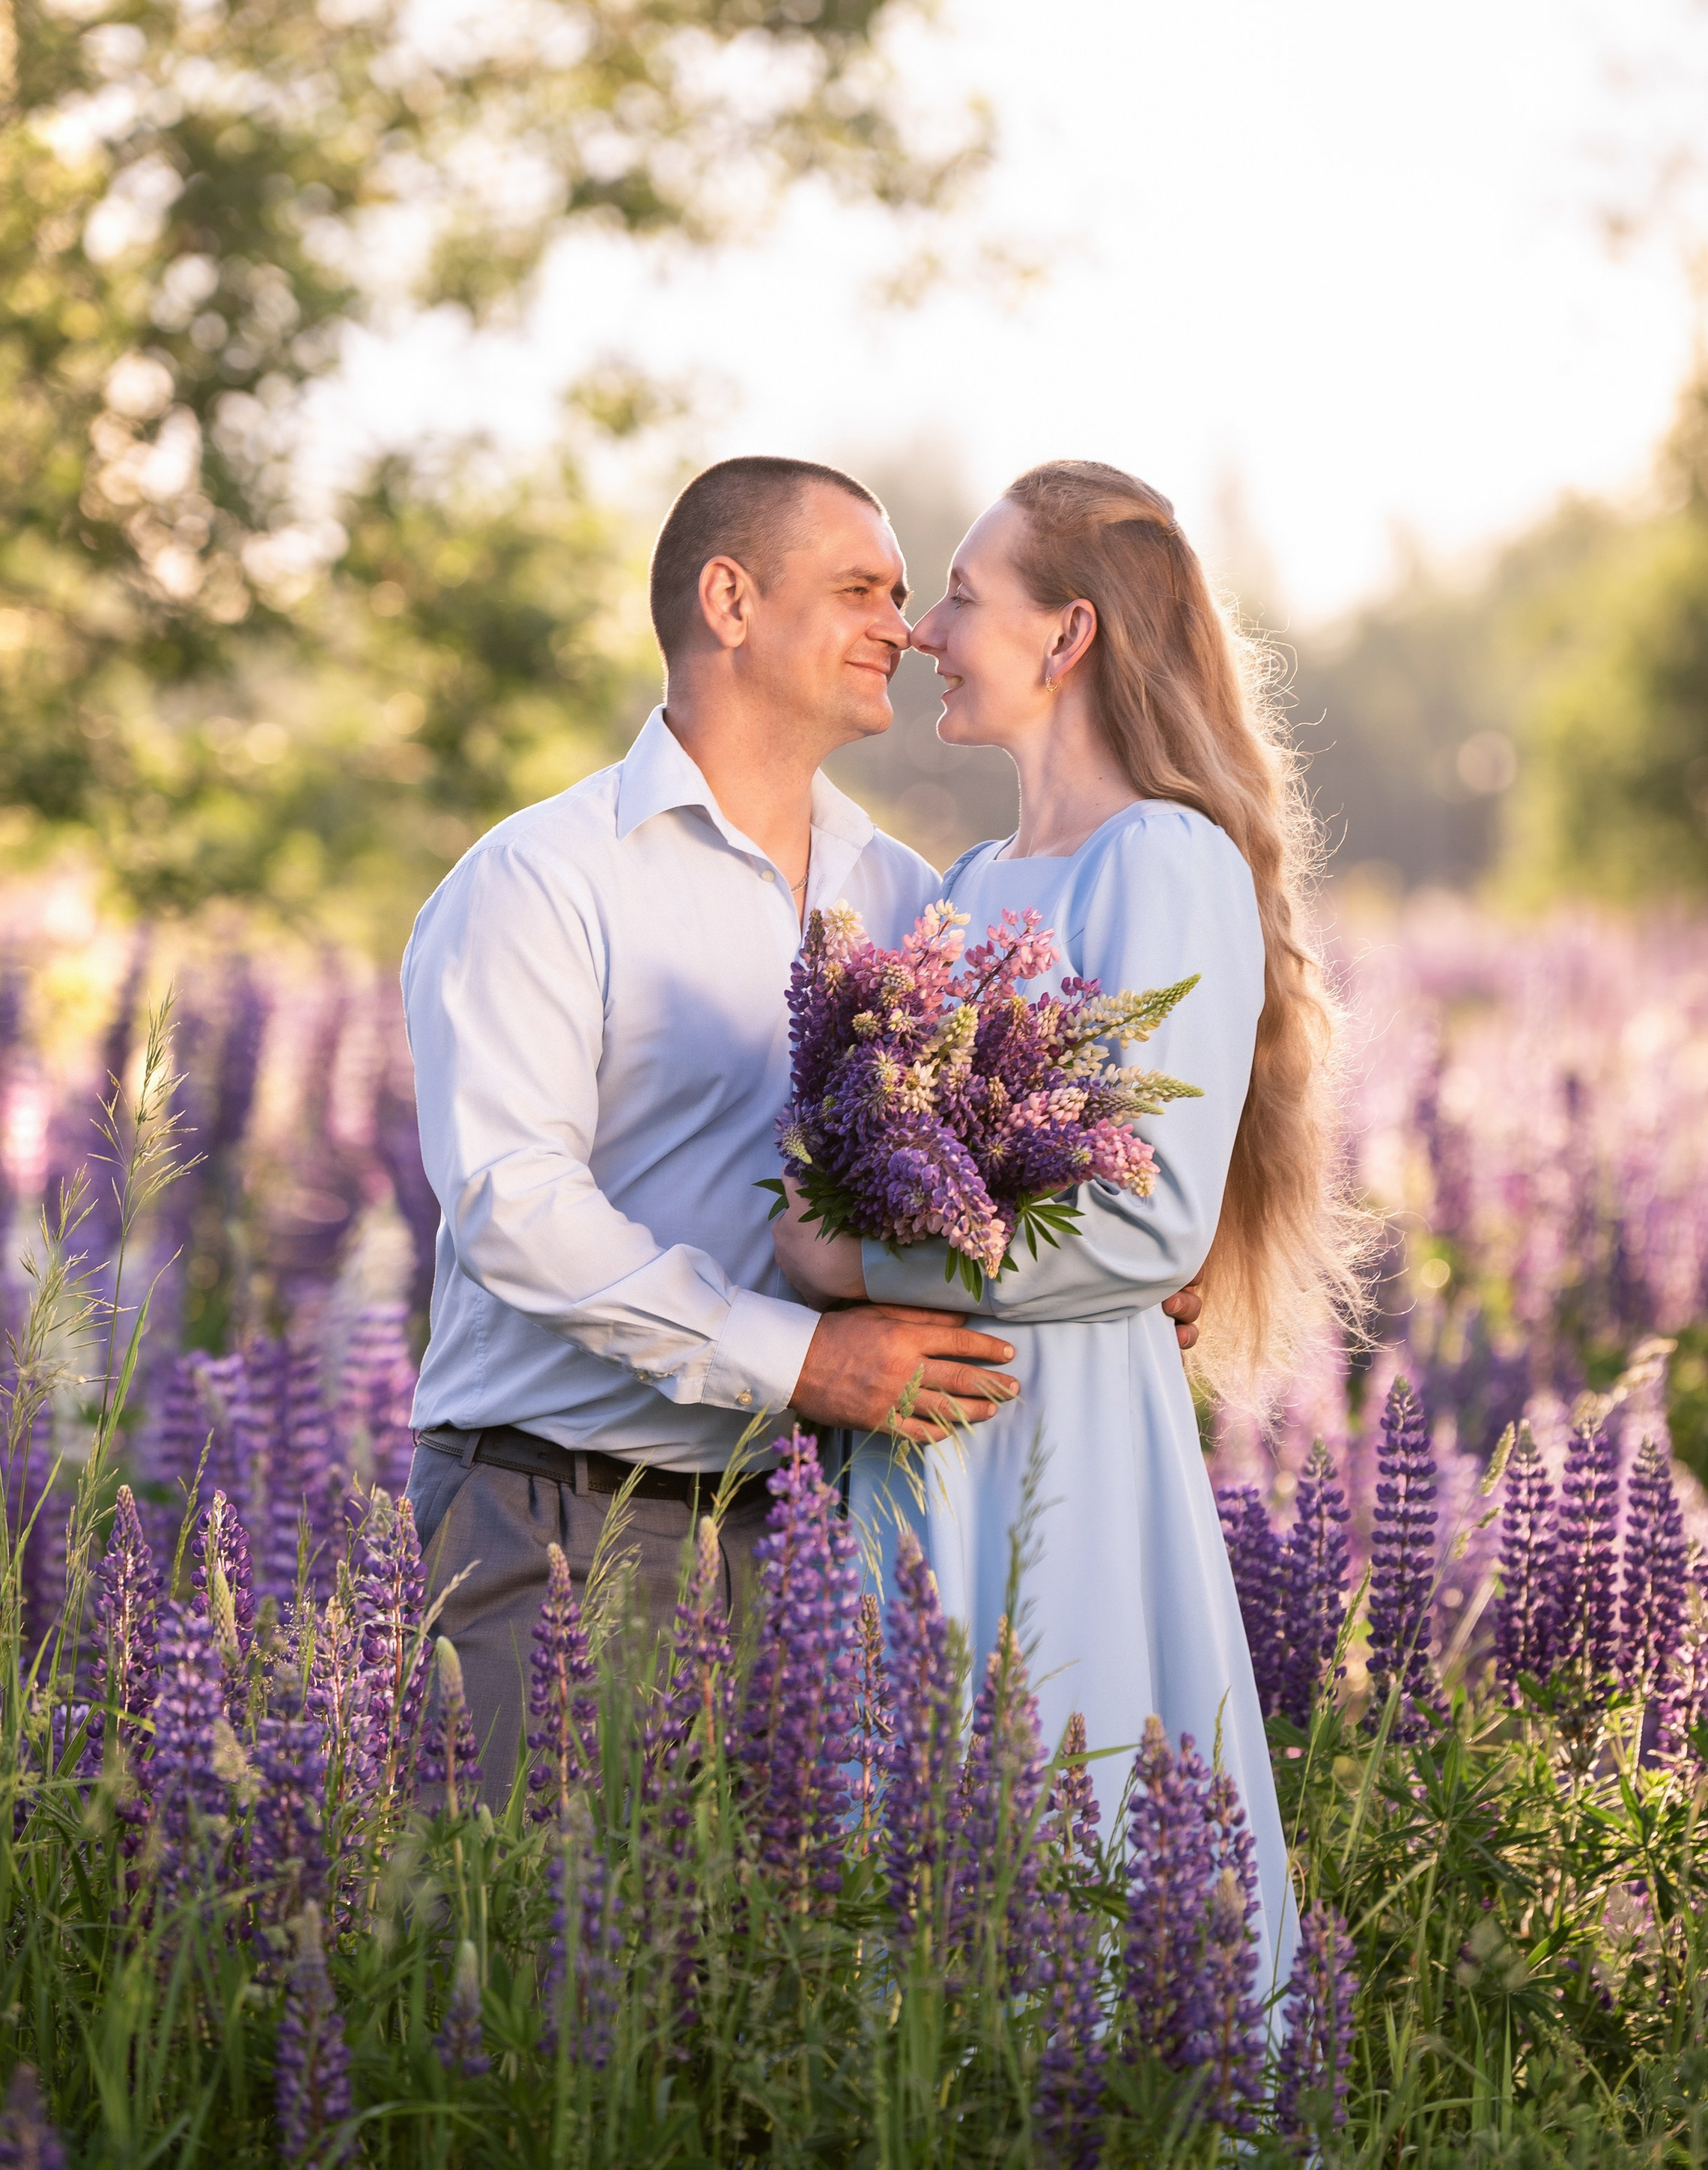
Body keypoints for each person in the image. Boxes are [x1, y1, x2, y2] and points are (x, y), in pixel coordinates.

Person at [401, 452, 1200, 1800]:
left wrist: (1104, 1274)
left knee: (789, 1941)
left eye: (908, 593)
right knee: (523, 1930)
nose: (908, 627)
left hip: (831, 1547)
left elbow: (983, 1185)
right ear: (729, 600)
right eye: (861, 590)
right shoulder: (542, 877)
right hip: (560, 1527)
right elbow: (512, 1208)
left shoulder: (909, 899)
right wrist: (801, 1360)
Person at [773, 459, 1362, 1990]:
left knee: (1071, 1831)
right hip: (922, 1434)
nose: (925, 631)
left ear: (1068, 633)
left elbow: (1150, 1219)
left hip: (1063, 1435)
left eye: (962, 598)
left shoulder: (1161, 856)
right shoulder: (968, 882)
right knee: (909, 1871)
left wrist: (854, 1264)